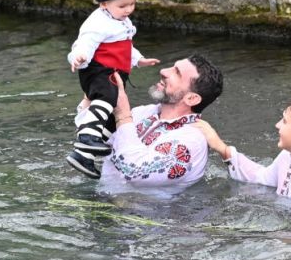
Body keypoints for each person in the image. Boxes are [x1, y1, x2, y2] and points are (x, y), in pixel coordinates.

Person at [66, 0, 160, 178]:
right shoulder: (98, 22)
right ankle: (87, 137)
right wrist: (78, 57)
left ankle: (84, 156)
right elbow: (84, 43)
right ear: (104, 3)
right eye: (122, 6)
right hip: (98, 70)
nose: (128, 10)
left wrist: (138, 60)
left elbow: (125, 46)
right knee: (107, 97)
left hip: (115, 72)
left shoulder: (120, 20)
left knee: (110, 118)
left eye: (132, 4)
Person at [73, 54, 223, 189]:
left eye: (177, 73)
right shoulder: (144, 112)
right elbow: (94, 139)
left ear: (191, 98)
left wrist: (122, 116)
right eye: (172, 67)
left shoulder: (191, 142)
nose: (164, 71)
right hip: (104, 198)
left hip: (144, 211)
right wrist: (96, 89)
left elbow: (134, 173)